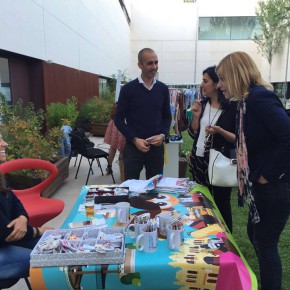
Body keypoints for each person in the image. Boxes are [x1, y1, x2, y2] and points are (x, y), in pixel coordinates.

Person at [216, 51, 290, 290]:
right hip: (260, 186)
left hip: (273, 187)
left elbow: (288, 136)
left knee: (266, 243)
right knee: (255, 234)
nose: (220, 85)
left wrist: (267, 174)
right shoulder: (246, 102)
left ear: (236, 75)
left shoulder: (259, 99)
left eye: (222, 78)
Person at [0, 134, 53, 287]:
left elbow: (14, 201)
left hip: (5, 242)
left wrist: (22, 218)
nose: (5, 144)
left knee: (55, 245)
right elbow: (6, 233)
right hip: (3, 243)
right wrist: (39, 231)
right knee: (51, 260)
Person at [188, 66, 236, 232]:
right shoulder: (202, 104)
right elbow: (194, 132)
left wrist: (220, 131)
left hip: (219, 162)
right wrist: (195, 116)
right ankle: (206, 234)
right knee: (201, 201)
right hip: (199, 160)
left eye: (205, 81)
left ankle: (226, 238)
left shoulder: (231, 108)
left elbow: (237, 138)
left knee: (222, 203)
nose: (202, 84)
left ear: (217, 83)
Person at [115, 48, 171, 180]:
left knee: (155, 190)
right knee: (131, 188)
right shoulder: (128, 89)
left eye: (156, 63)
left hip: (156, 150)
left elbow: (167, 117)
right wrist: (134, 139)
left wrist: (162, 135)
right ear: (139, 65)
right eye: (150, 63)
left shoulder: (163, 89)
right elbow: (118, 119)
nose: (154, 67)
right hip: (133, 148)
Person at [104, 102, 126, 180]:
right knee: (122, 150)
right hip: (122, 124)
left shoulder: (119, 101)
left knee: (113, 147)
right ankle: (122, 176)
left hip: (114, 122)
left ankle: (109, 166)